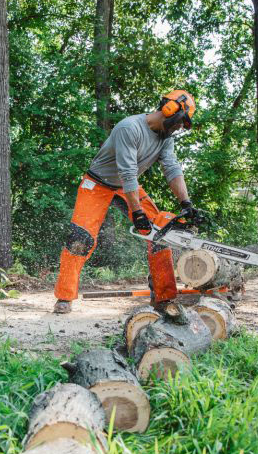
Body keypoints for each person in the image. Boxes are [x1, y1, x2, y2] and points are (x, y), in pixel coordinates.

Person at [53, 89, 201, 314]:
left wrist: (186, 203)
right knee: (79, 237)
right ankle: (64, 297)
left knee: (160, 232)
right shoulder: (129, 128)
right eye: (182, 122)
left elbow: (171, 168)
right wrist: (137, 212)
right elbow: (128, 172)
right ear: (169, 111)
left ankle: (164, 297)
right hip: (97, 184)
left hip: (125, 187)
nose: (181, 127)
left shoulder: (165, 138)